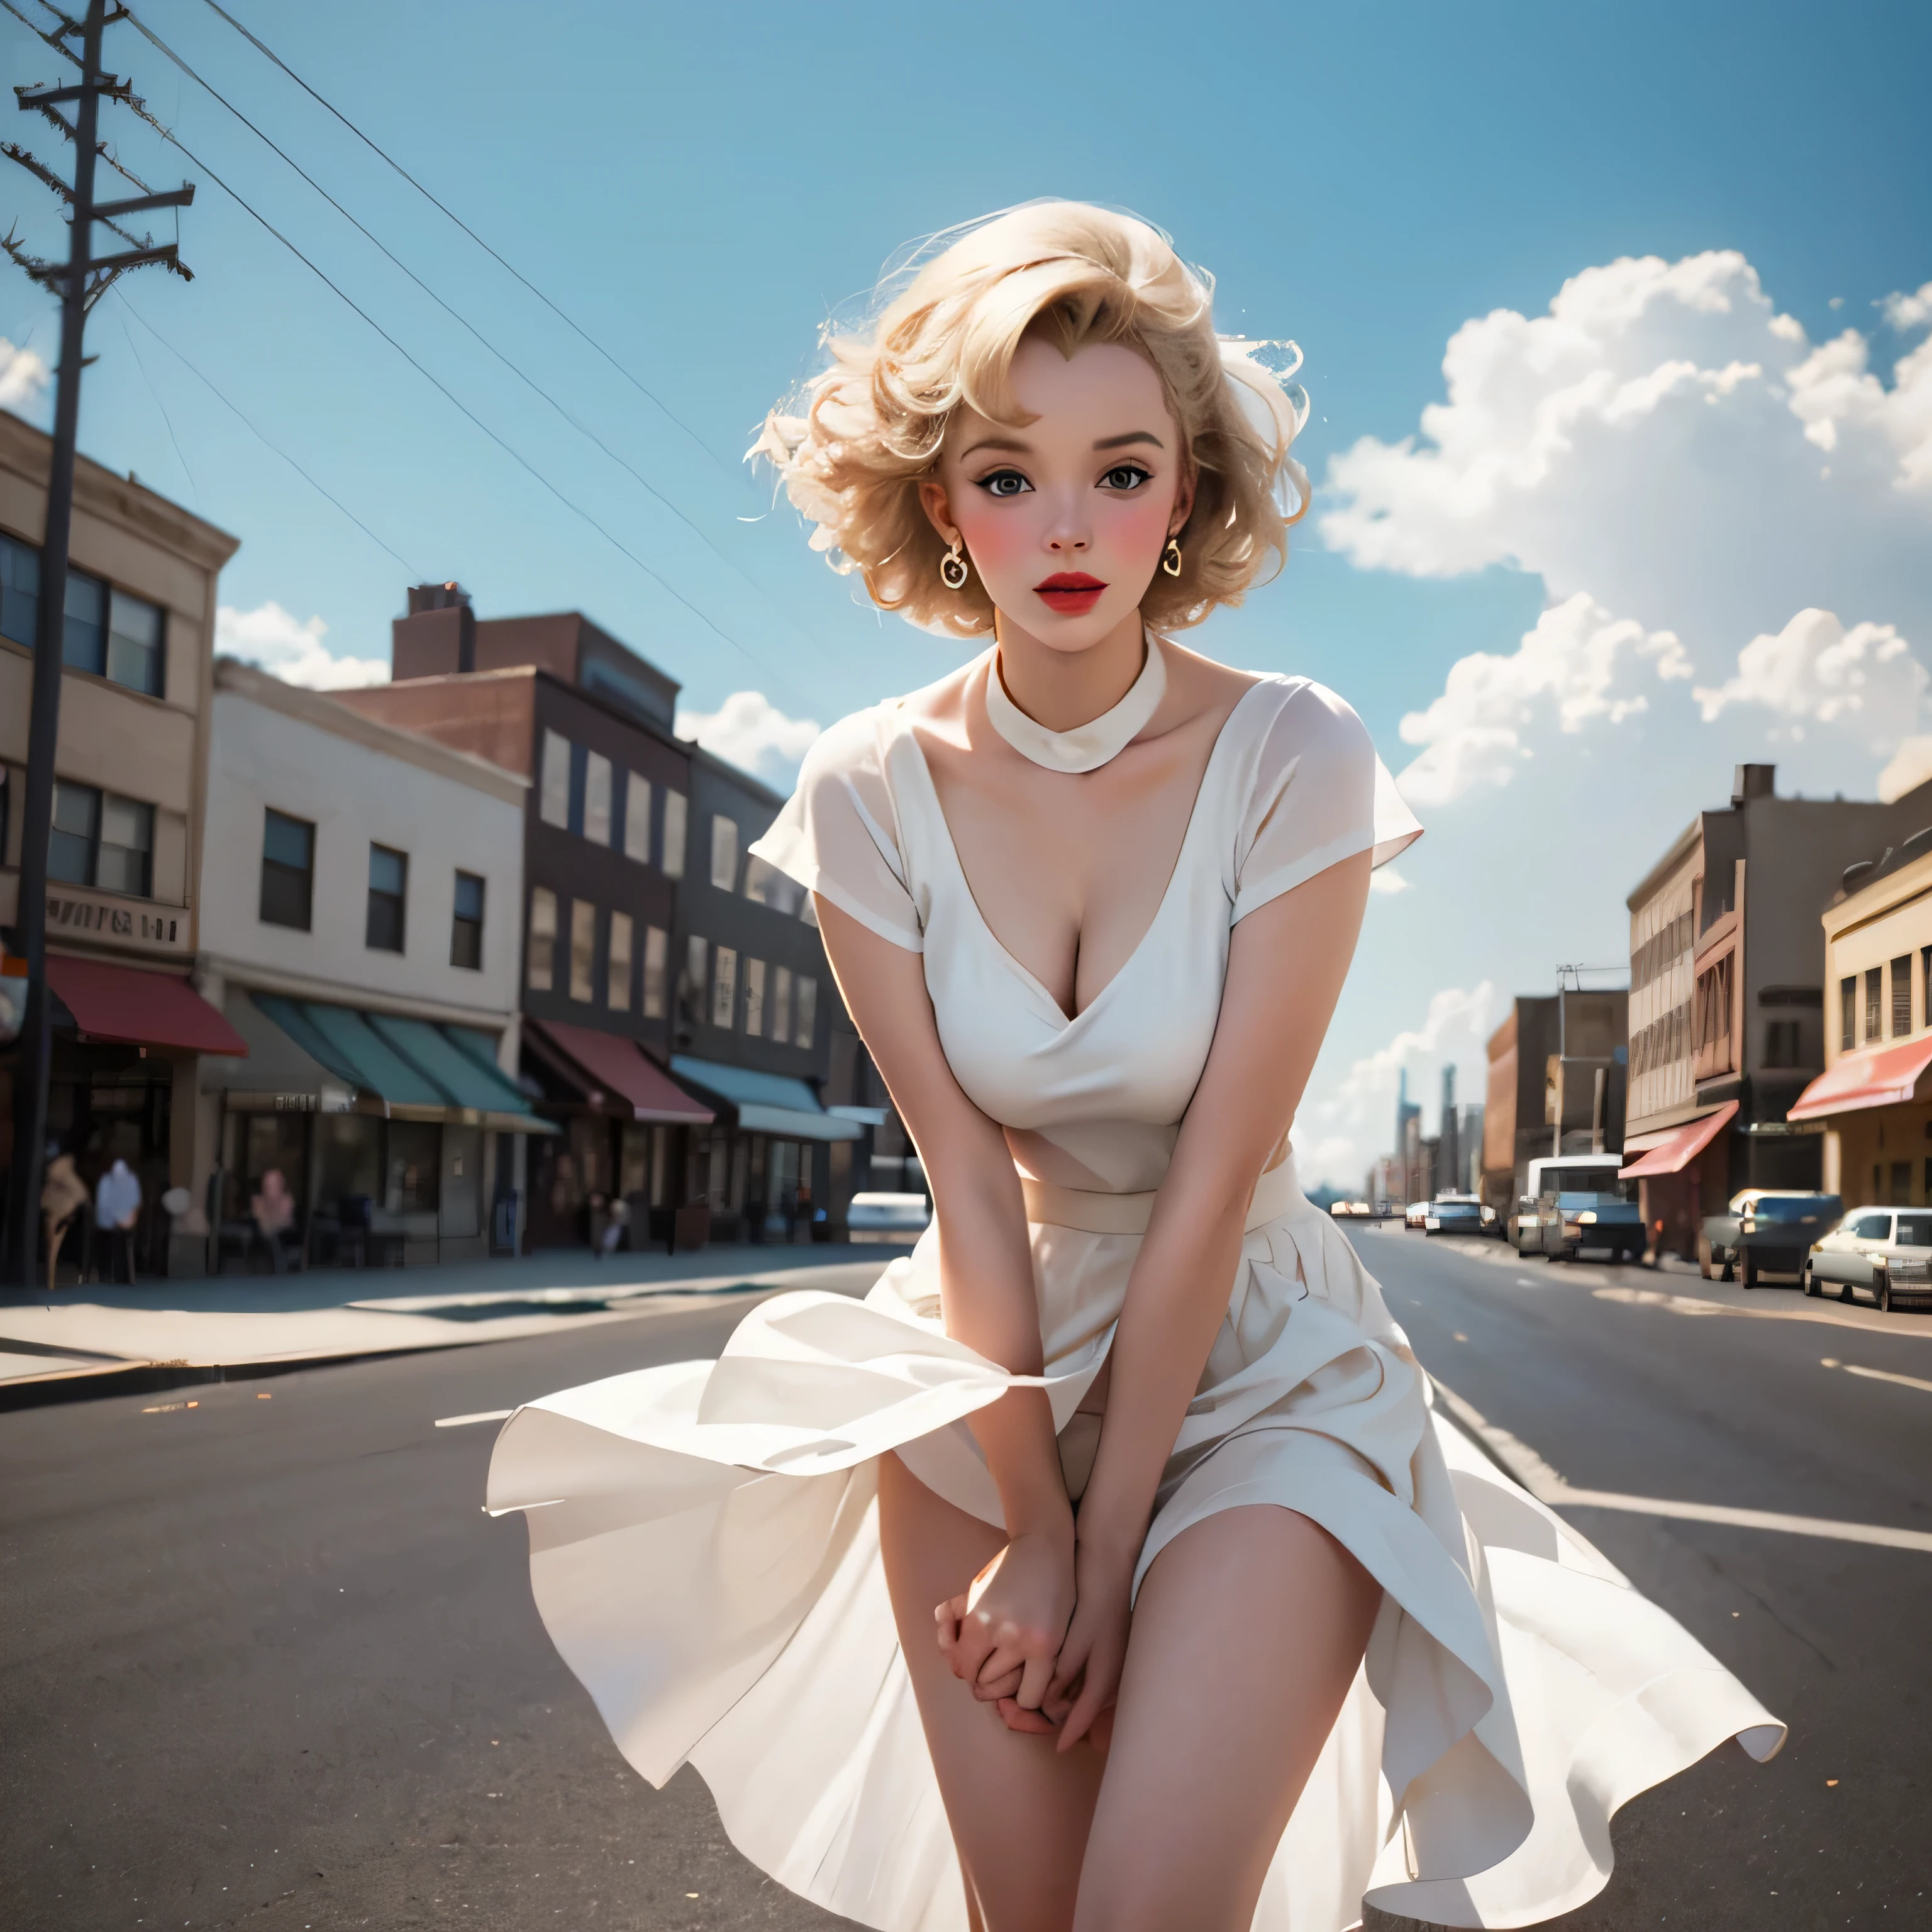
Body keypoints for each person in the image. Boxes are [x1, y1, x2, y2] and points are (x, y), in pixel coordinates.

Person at [486, 204, 1782, 1932]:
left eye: (1123, 468)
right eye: (1013, 476)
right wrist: (1039, 1515)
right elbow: (966, 1186)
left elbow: (1212, 1174)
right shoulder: (868, 790)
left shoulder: (1295, 754)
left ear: (1189, 496)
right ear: (943, 506)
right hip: (986, 1377)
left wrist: (1104, 1555)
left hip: (1256, 1362)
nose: (1071, 525)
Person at [40, 1146, 89, 1294]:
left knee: (52, 1252)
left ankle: (50, 1284)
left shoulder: (62, 1180)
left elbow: (81, 1195)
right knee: (52, 1252)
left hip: (61, 1215)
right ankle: (49, 1284)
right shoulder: (60, 1180)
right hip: (59, 1214)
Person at [94, 1155, 142, 1286]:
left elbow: (136, 1202)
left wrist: (130, 1218)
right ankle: (107, 1275)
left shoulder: (132, 1180)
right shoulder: (106, 1182)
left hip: (126, 1221)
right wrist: (117, 1219)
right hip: (108, 1222)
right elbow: (104, 1205)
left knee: (124, 1239)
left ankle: (125, 1277)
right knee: (110, 1241)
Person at [250, 1167, 298, 1273]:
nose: (269, 1191)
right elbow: (262, 1229)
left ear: (281, 1186)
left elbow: (285, 1225)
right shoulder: (258, 1203)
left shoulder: (287, 1202)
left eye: (273, 1186)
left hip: (284, 1242)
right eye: (267, 1186)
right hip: (262, 1245)